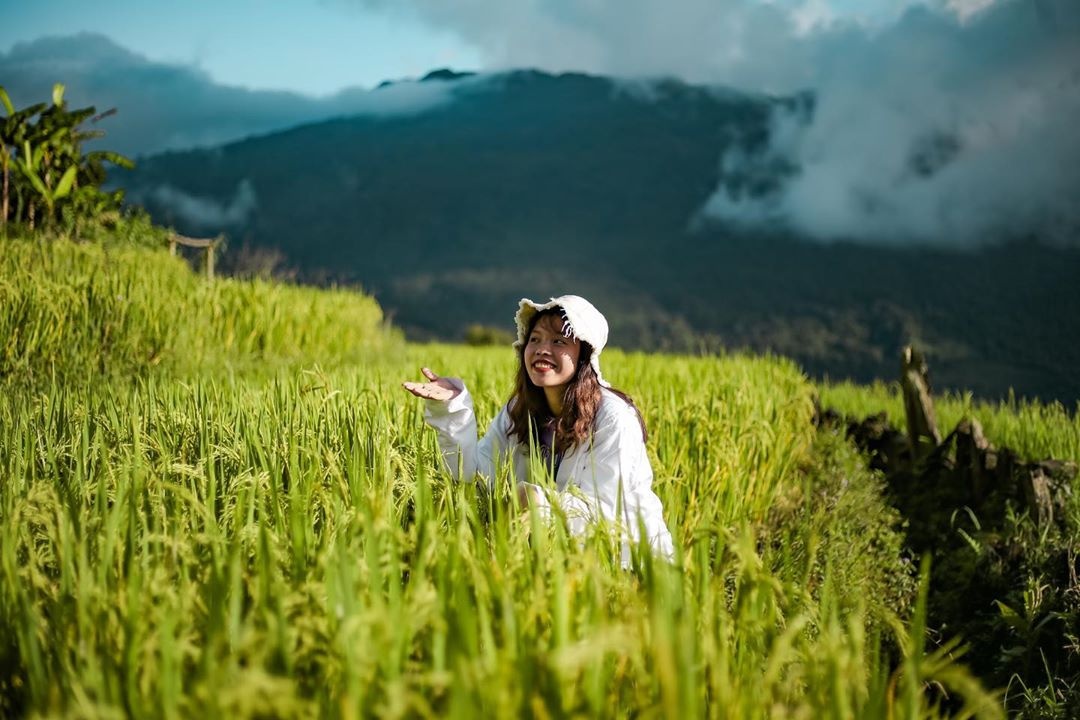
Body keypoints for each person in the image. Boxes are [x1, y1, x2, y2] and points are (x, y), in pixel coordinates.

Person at [402, 295, 675, 564]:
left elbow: (609, 513)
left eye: (559, 341)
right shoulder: (520, 411)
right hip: (557, 567)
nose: (543, 348)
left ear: (585, 355)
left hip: (630, 566)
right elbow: (474, 476)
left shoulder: (613, 419)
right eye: (535, 339)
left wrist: (539, 503)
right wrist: (451, 408)